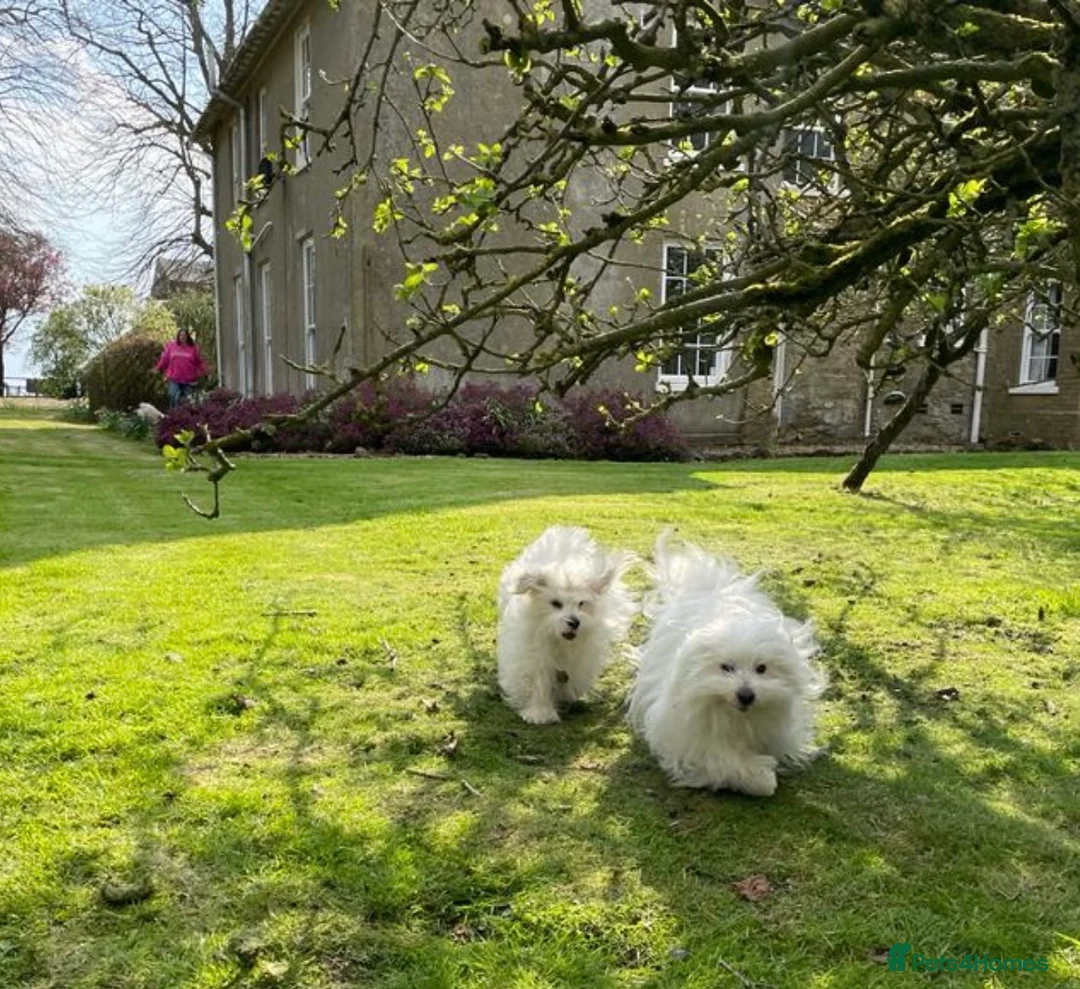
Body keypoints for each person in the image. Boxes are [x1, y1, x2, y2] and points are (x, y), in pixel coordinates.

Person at [156, 328, 207, 408]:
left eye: (184, 335)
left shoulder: (193, 348)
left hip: (189, 380)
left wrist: (204, 371)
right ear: (178, 336)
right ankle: (173, 415)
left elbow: (198, 362)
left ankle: (186, 417)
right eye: (181, 335)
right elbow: (165, 359)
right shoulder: (172, 346)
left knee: (188, 402)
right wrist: (158, 368)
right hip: (174, 378)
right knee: (172, 396)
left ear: (187, 337)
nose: (182, 337)